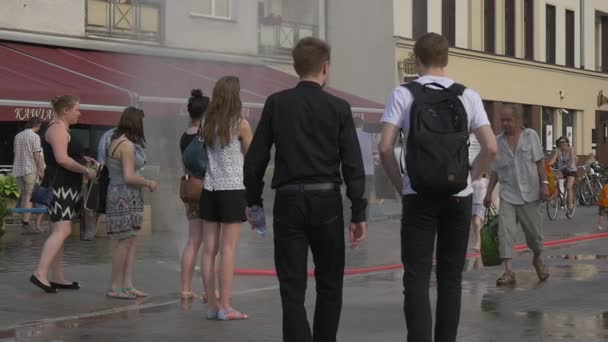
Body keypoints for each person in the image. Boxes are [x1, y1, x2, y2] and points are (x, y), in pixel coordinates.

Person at [244, 37, 368, 341]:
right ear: (325, 68)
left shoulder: (276, 103)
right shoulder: (340, 108)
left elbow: (255, 160)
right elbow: (353, 164)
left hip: (288, 201)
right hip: (327, 200)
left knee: (292, 289)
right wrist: (358, 212)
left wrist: (253, 202)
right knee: (329, 286)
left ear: (296, 68)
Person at [378, 32, 497, 342]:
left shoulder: (403, 94)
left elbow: (384, 148)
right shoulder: (467, 95)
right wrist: (471, 177)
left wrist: (400, 184)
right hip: (458, 195)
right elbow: (491, 148)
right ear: (446, 60)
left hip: (418, 195)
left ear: (416, 59)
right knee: (450, 280)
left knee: (416, 278)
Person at [30, 95, 98, 293]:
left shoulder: (59, 128)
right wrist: (86, 170)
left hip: (63, 185)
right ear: (66, 110)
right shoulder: (58, 128)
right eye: (77, 109)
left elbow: (64, 155)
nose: (79, 113)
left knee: (58, 230)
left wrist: (81, 158)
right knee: (63, 230)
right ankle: (40, 273)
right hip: (61, 186)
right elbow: (62, 159)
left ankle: (57, 276)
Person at [200, 76, 253, 320]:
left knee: (209, 250)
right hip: (232, 189)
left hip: (209, 189)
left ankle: (211, 305)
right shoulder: (240, 124)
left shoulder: (206, 122)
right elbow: (252, 156)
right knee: (228, 249)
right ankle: (226, 306)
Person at [484, 103, 550, 287]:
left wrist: (544, 185)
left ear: (519, 120)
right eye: (502, 120)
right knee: (505, 232)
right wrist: (489, 192)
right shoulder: (498, 142)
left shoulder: (531, 137)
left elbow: (540, 163)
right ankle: (508, 272)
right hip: (508, 195)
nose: (505, 124)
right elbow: (495, 171)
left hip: (531, 193)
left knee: (535, 238)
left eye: (508, 120)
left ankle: (537, 259)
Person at [104, 107, 158, 299]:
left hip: (127, 194)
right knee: (124, 241)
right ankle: (115, 287)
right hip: (123, 195)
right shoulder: (125, 145)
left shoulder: (115, 140)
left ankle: (127, 284)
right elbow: (128, 176)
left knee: (131, 240)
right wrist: (148, 182)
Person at [179, 89, 211, 300]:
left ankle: (186, 289)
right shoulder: (206, 135)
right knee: (210, 243)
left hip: (190, 189)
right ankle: (211, 291)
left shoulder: (184, 136)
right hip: (207, 189)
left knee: (192, 241)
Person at [12, 117, 45, 234]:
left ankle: (24, 221)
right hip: (30, 169)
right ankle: (25, 222)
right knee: (29, 196)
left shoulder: (18, 136)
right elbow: (37, 155)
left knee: (24, 194)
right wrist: (41, 170)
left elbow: (16, 152)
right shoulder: (35, 137)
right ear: (38, 125)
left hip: (18, 169)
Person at [548, 136, 577, 212]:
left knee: (568, 187)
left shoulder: (571, 149)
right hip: (562, 170)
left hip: (571, 170)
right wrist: (548, 165)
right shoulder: (558, 151)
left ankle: (570, 206)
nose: (562, 144)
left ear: (567, 143)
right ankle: (558, 197)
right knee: (554, 179)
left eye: (563, 142)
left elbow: (573, 158)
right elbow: (553, 160)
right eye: (560, 142)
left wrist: (572, 164)